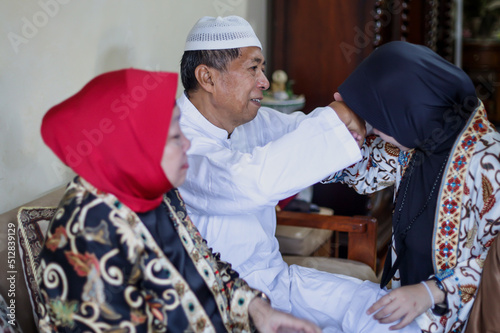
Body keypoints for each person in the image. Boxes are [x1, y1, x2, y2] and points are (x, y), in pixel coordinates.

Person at [177, 15, 422, 333]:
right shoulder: (181, 144)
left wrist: (358, 114)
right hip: (224, 306)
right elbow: (252, 182)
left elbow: (301, 129)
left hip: (276, 282)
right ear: (207, 78)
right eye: (253, 68)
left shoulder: (250, 122)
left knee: (379, 310)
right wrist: (336, 122)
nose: (263, 81)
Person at [36, 68, 322, 333]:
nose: (187, 144)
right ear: (133, 149)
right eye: (175, 136)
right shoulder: (87, 234)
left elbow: (204, 264)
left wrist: (259, 311)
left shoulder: (158, 194)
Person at [324, 41, 500, 332]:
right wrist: (347, 127)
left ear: (407, 109)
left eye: (381, 118)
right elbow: (360, 173)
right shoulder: (418, 138)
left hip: (460, 319)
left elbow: (493, 261)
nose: (376, 128)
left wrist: (432, 291)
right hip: (405, 307)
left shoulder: (488, 162)